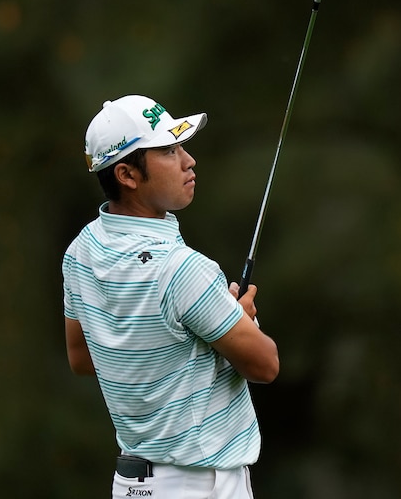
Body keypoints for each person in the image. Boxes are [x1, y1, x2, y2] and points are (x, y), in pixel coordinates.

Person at [62, 95, 279, 499]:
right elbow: (265, 365)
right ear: (127, 175)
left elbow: (82, 358)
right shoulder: (184, 268)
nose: (188, 160)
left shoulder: (80, 252)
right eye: (168, 150)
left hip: (132, 486)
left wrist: (186, 340)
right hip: (201, 486)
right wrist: (238, 323)